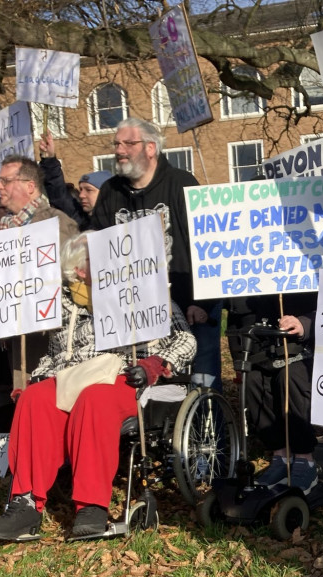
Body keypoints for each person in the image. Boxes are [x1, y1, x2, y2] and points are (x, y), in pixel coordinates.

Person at [0, 232, 197, 543]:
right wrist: (39, 378)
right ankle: (25, 504)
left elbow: (185, 340)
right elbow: (57, 357)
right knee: (34, 399)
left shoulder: (145, 292)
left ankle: (91, 506)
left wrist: (153, 364)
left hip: (130, 376)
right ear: (79, 271)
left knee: (95, 399)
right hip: (77, 376)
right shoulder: (66, 306)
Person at [89, 118, 221, 387]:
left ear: (151, 148)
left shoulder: (182, 184)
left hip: (190, 304)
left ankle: (212, 427)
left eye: (128, 143)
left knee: (202, 384)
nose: (119, 150)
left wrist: (203, 302)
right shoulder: (110, 193)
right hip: (134, 313)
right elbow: (99, 248)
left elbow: (206, 247)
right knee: (146, 386)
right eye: (116, 143)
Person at [0, 155, 80, 391]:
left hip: (49, 339)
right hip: (18, 334)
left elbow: (73, 280)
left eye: (6, 181)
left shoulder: (57, 223)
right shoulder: (4, 227)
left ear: (30, 186)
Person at [229, 294, 320, 491]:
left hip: (309, 348)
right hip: (268, 349)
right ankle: (281, 457)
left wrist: (305, 323)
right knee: (253, 379)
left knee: (290, 377)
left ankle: (306, 460)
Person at [38, 130, 109, 230]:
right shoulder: (81, 220)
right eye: (81, 190)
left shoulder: (120, 221)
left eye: (88, 190)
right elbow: (59, 195)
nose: (81, 195)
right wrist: (49, 159)